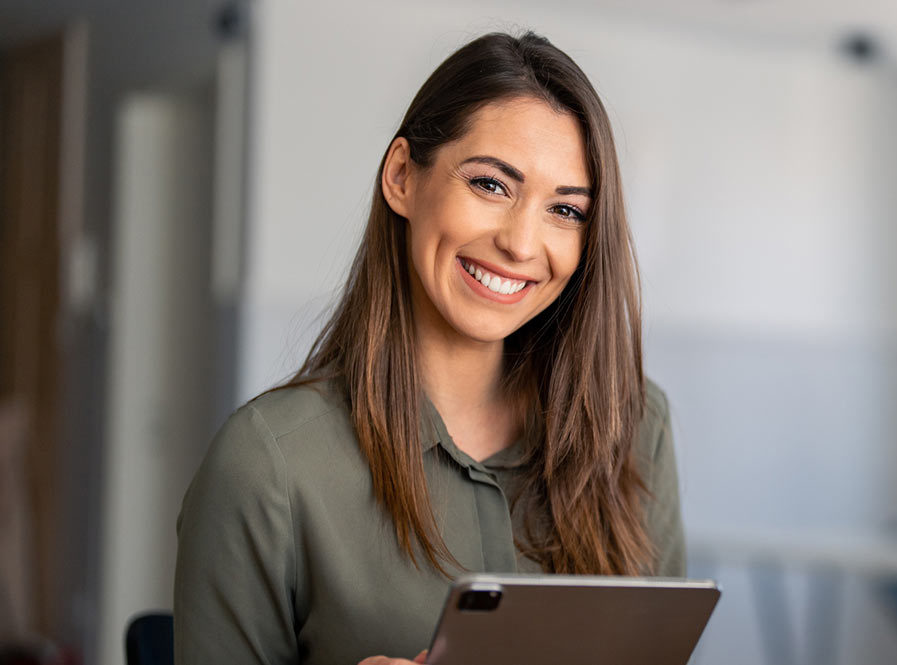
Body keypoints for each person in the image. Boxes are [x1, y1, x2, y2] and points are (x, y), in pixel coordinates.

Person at [173, 31, 684, 665]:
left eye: (566, 210)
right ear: (401, 178)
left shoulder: (633, 427)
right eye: (492, 185)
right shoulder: (268, 466)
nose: (523, 245)